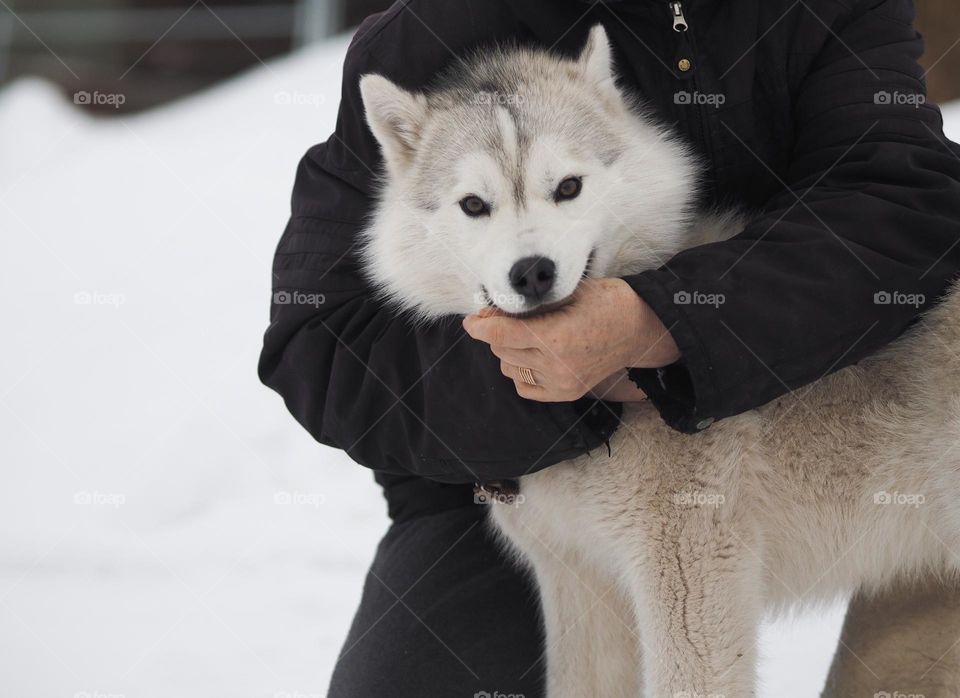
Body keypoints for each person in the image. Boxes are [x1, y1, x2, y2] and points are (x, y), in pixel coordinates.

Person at [258, 1, 960, 695]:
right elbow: (322, 341)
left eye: (566, 188)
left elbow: (902, 202)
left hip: (859, 388)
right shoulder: (427, 35)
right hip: (479, 473)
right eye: (476, 206)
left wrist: (661, 326)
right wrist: (538, 378)